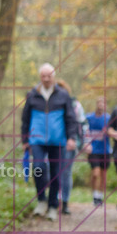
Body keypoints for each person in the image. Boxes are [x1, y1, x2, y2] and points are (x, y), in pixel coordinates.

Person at [21, 63, 78, 222]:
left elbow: (71, 118)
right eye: (43, 76)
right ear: (40, 77)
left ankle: (53, 206)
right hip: (37, 139)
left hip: (58, 140)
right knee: (38, 168)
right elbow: (25, 119)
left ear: (54, 76)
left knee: (56, 174)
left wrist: (71, 138)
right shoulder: (32, 95)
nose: (46, 79)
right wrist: (25, 139)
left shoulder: (63, 95)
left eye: (49, 76)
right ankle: (41, 200)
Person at [55, 78, 87, 216]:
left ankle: (65, 202)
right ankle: (54, 200)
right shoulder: (50, 104)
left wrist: (82, 143)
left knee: (66, 172)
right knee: (53, 171)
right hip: (53, 143)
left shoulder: (75, 105)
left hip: (70, 142)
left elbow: (83, 124)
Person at [84, 97, 111, 206]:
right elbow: (84, 131)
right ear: (96, 104)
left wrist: (109, 132)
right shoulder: (89, 117)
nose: (101, 105)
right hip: (93, 150)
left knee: (103, 175)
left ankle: (99, 196)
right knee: (95, 173)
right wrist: (86, 144)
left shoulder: (108, 118)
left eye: (103, 103)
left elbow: (113, 131)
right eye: (99, 102)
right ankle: (94, 196)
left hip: (105, 150)